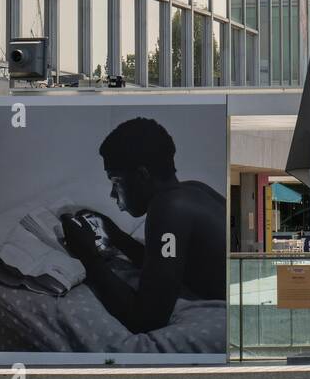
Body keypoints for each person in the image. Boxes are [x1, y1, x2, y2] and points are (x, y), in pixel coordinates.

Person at [60, 117, 226, 333]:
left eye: (116, 181)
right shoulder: (193, 189)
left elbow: (146, 319)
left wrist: (88, 256)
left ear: (141, 176)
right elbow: (166, 264)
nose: (112, 194)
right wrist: (117, 236)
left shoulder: (168, 208)